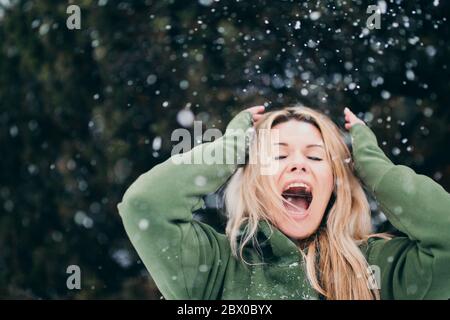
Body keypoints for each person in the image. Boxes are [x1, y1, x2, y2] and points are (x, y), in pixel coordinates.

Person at [117, 105, 450, 300]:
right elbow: (145, 206)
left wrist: (375, 168)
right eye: (277, 155)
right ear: (255, 180)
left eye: (316, 157)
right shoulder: (215, 268)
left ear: (334, 184)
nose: (298, 164)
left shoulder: (380, 269)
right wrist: (233, 147)